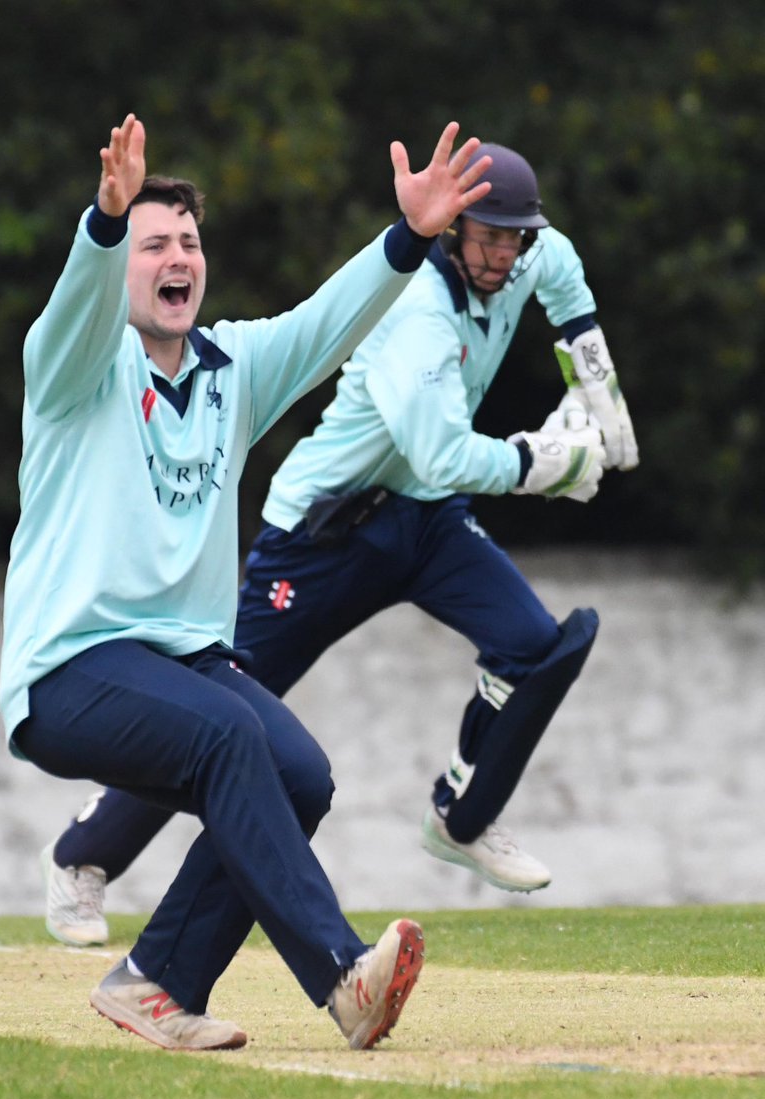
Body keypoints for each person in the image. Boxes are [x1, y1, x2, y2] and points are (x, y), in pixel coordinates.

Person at [41, 141, 633, 951]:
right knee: (213, 717)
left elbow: (566, 283)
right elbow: (443, 454)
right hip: (323, 532)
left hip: (425, 521)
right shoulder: (416, 317)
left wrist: (599, 394)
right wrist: (548, 461)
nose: (504, 253)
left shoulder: (530, 254)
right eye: (488, 236)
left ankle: (462, 815)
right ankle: (83, 856)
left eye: (514, 237)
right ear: (456, 231)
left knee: (535, 644)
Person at [1, 112, 497, 1050]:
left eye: (187, 241)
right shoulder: (75, 371)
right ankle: (343, 977)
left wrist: (412, 236)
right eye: (154, 244)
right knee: (234, 735)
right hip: (68, 668)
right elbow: (73, 307)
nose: (175, 256)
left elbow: (325, 321)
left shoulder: (233, 369)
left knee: (300, 777)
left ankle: (157, 979)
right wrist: (104, 225)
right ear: (123, 268)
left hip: (184, 663)